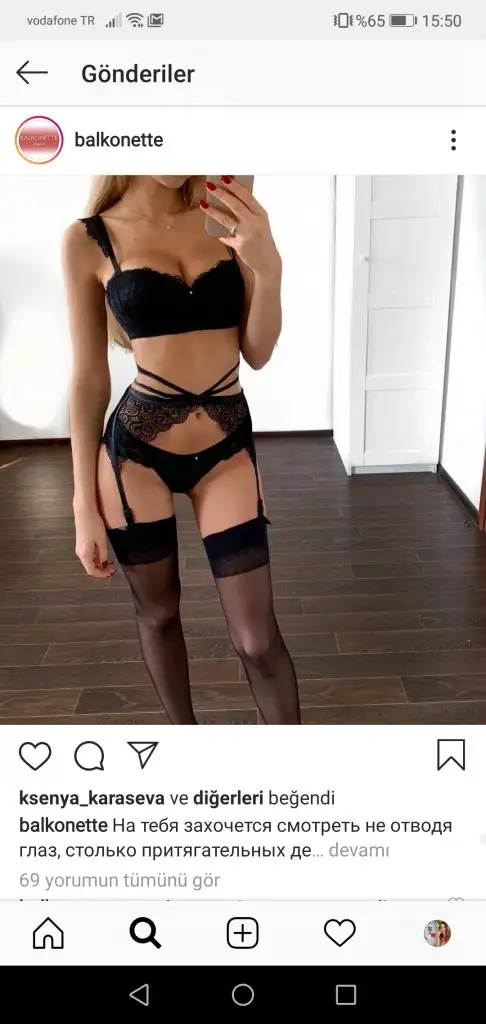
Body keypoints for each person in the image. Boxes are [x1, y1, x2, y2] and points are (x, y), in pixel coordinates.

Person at [62, 174, 301, 725]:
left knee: (258, 640)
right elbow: (89, 379)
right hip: (134, 456)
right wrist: (81, 504)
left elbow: (257, 352)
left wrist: (270, 269)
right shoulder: (88, 238)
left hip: (227, 448)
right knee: (160, 614)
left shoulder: (225, 215)